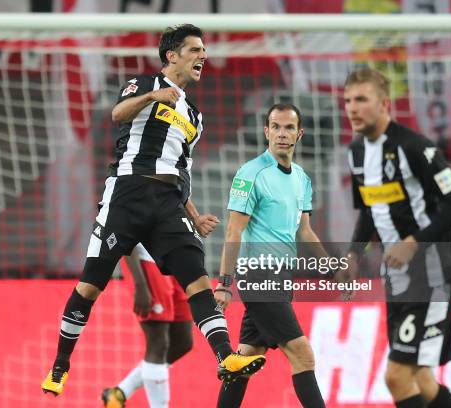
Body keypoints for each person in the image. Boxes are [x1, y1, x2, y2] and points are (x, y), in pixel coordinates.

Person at [41, 23, 266, 397]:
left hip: (167, 204)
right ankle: (61, 365)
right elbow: (117, 115)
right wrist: (152, 98)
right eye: (194, 50)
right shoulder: (143, 85)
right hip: (128, 192)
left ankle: (226, 358)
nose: (203, 56)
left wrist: (193, 215)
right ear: (171, 56)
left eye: (204, 50)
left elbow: (181, 169)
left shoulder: (195, 116)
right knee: (90, 285)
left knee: (197, 278)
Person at [340, 67, 451, 408]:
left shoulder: (416, 148)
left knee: (396, 377)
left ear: (384, 104)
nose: (352, 108)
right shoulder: (355, 153)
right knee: (422, 382)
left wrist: (412, 242)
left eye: (361, 99)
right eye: (348, 101)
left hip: (433, 275)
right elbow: (369, 211)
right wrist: (355, 255)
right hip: (397, 279)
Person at [215, 103, 328, 408]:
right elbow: (233, 232)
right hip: (257, 274)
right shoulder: (251, 173)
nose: (282, 133)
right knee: (302, 354)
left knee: (247, 357)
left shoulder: (302, 178)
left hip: (282, 277)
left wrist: (332, 267)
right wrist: (225, 282)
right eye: (276, 127)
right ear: (266, 131)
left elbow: (305, 231)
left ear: (299, 134)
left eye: (289, 127)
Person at [101, 243, 193, 408]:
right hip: (147, 260)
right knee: (158, 344)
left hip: (174, 260)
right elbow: (127, 235)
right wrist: (140, 285)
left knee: (183, 342)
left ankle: (119, 392)